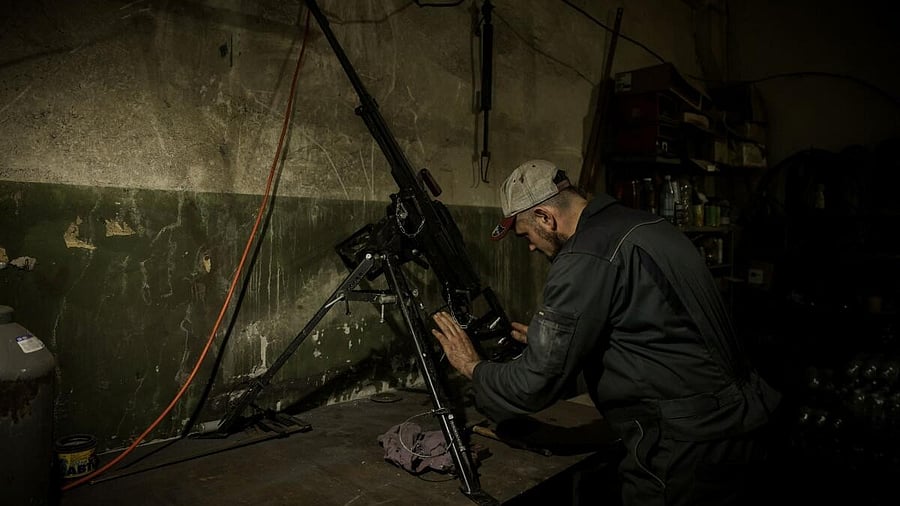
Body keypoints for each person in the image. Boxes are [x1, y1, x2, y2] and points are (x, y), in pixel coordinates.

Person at [431, 159, 781, 506]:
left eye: (526, 236)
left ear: (545, 218)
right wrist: (559, 339)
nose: (532, 247)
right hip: (740, 421)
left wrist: (473, 367)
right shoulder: (645, 224)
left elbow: (534, 385)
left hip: (683, 446)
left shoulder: (585, 253)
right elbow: (653, 322)